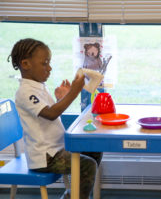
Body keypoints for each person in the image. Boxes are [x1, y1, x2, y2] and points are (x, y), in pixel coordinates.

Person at [8, 38, 102, 199]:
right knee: (87, 165)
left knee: (94, 148)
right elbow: (51, 114)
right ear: (25, 64)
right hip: (45, 157)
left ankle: (72, 195)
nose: (49, 68)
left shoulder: (37, 86)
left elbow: (46, 113)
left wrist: (61, 99)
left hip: (56, 148)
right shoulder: (25, 92)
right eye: (44, 63)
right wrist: (73, 92)